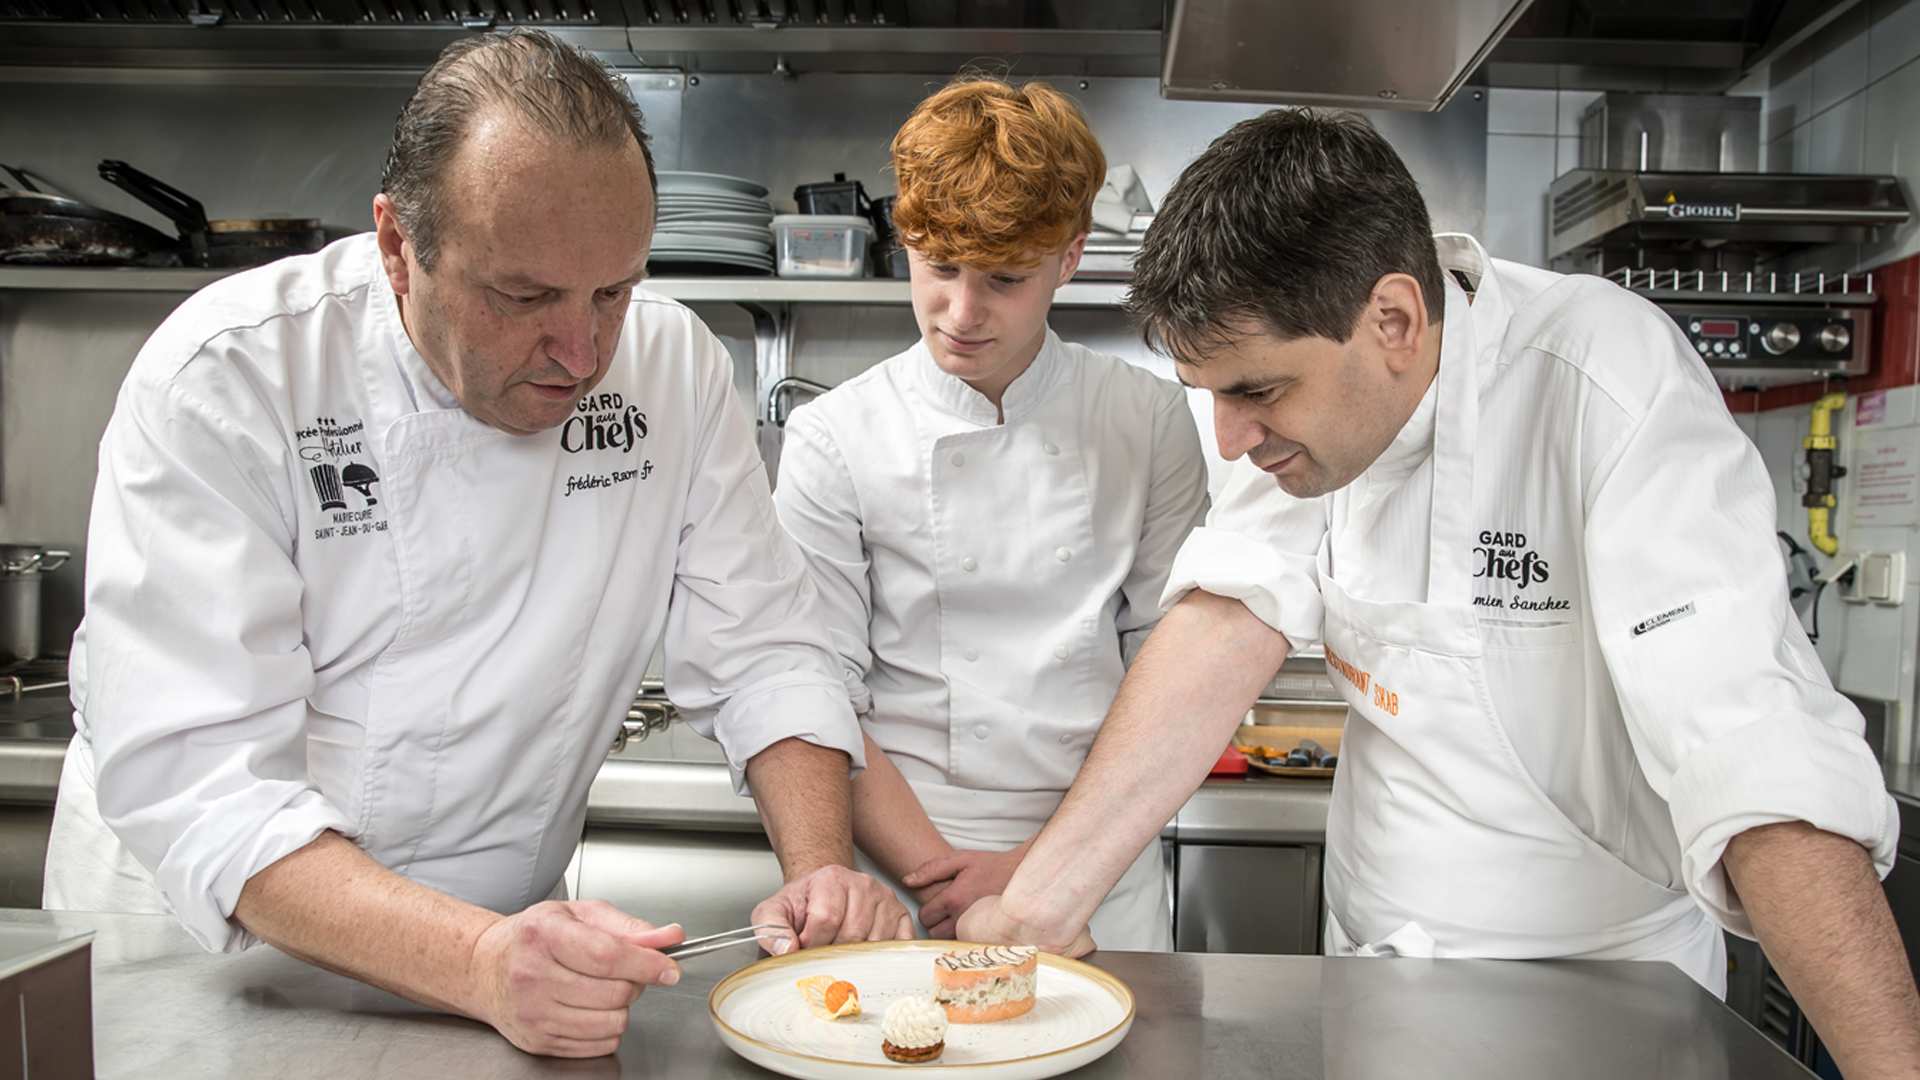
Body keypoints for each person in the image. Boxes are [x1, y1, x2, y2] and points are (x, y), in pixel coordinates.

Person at [957, 108, 1920, 1076]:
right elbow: (1227, 621)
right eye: (1210, 394)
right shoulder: (1305, 424)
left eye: (1255, 392)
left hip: (1607, 1003)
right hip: (1375, 984)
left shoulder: (1602, 378)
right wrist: (1038, 909)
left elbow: (1747, 742)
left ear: (1395, 321)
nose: (1230, 440)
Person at [42, 29, 908, 1059]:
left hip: (512, 970)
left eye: (614, 291)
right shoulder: (232, 377)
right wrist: (478, 959)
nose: (582, 352)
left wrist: (818, 871)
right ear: (397, 246)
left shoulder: (672, 368)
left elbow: (765, 649)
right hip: (219, 962)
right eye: (524, 297)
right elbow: (207, 788)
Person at [771, 76, 1207, 951]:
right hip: (903, 872)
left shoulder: (1148, 418)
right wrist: (946, 883)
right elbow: (818, 693)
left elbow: (1172, 676)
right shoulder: (834, 437)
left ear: (1070, 258)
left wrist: (1040, 872)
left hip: (1096, 868)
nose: (962, 313)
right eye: (938, 267)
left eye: (1006, 279)